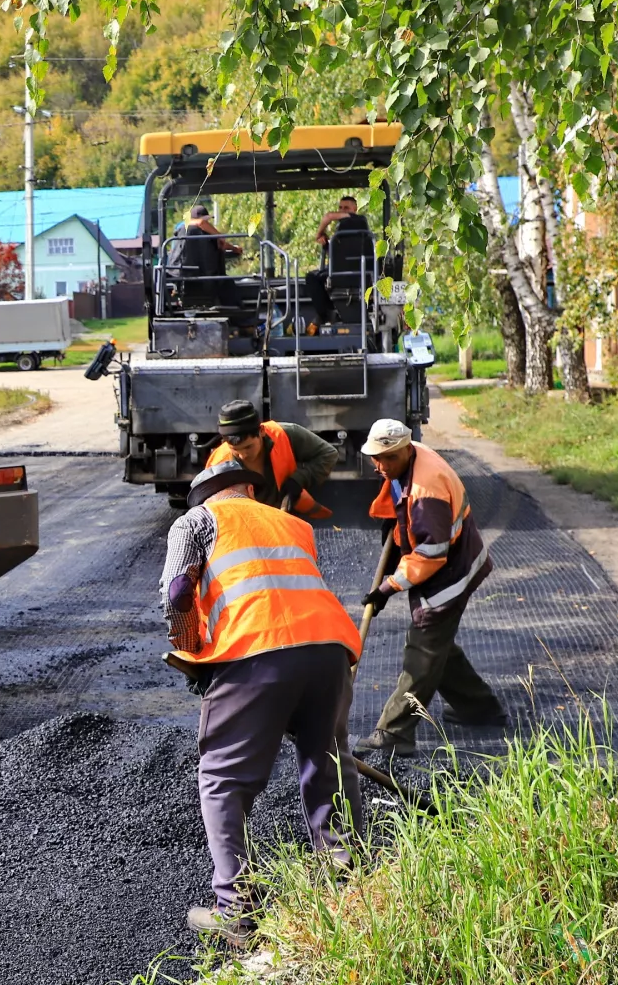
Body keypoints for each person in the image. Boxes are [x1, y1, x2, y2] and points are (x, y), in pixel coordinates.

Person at [161, 462, 365, 944]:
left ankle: (235, 910)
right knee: (328, 760)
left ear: (204, 496)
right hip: (328, 651)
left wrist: (191, 649)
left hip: (254, 655)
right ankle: (348, 885)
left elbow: (177, 593)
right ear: (249, 490)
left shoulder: (197, 521)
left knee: (223, 779)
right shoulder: (291, 523)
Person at [353, 419, 507, 757]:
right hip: (446, 559)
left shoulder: (427, 491)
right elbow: (403, 507)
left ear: (406, 449)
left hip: (450, 572)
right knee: (438, 646)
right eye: (376, 458)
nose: (382, 466)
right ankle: (479, 708)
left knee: (423, 647)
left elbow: (431, 554)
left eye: (389, 458)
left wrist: (388, 588)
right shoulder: (410, 458)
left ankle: (394, 732)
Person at [198, 399, 339, 519]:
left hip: (289, 517)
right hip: (247, 523)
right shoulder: (218, 465)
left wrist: (299, 479)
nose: (243, 455)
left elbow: (328, 454)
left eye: (248, 447)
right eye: (235, 450)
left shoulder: (285, 434)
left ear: (261, 431)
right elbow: (215, 513)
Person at [305, 196, 369, 324]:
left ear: (355, 209)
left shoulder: (360, 221)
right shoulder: (341, 230)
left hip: (357, 272)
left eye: (346, 208)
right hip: (340, 271)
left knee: (314, 278)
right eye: (340, 207)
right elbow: (336, 254)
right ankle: (330, 313)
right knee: (312, 278)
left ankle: (325, 315)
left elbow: (328, 216)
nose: (342, 210)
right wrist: (326, 244)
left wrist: (318, 234)